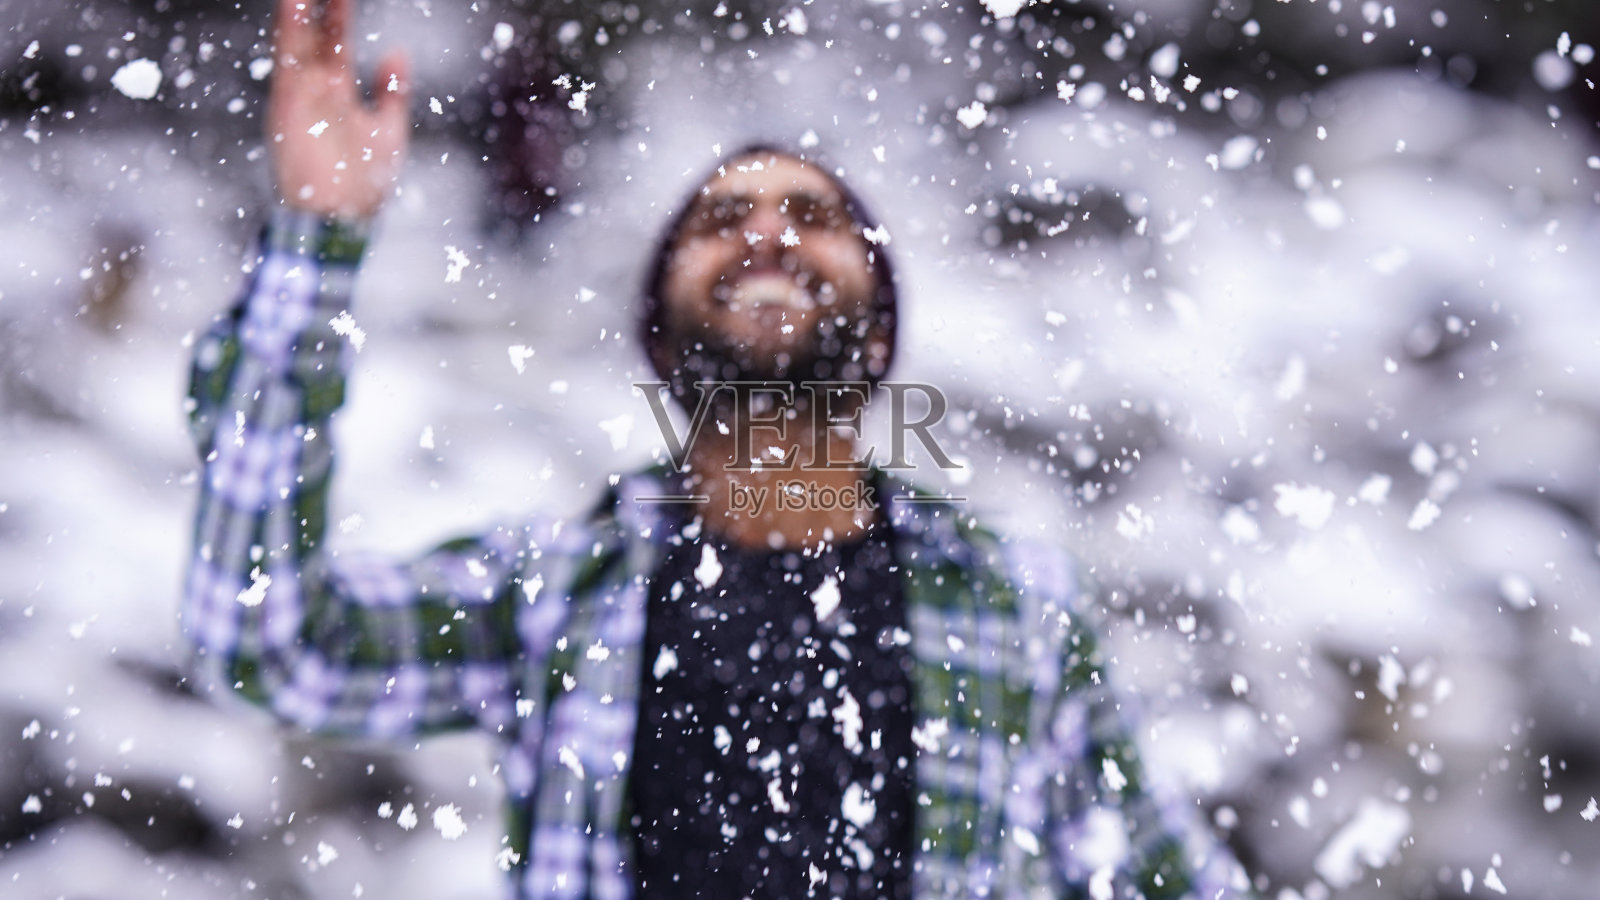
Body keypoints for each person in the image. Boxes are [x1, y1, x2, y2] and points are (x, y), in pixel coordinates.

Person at [182, 0, 1254, 897]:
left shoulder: (1011, 604)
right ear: (661, 333)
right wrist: (317, 247)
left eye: (812, 215)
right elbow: (268, 643)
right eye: (720, 220)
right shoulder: (554, 593)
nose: (767, 234)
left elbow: (1162, 876)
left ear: (878, 331)